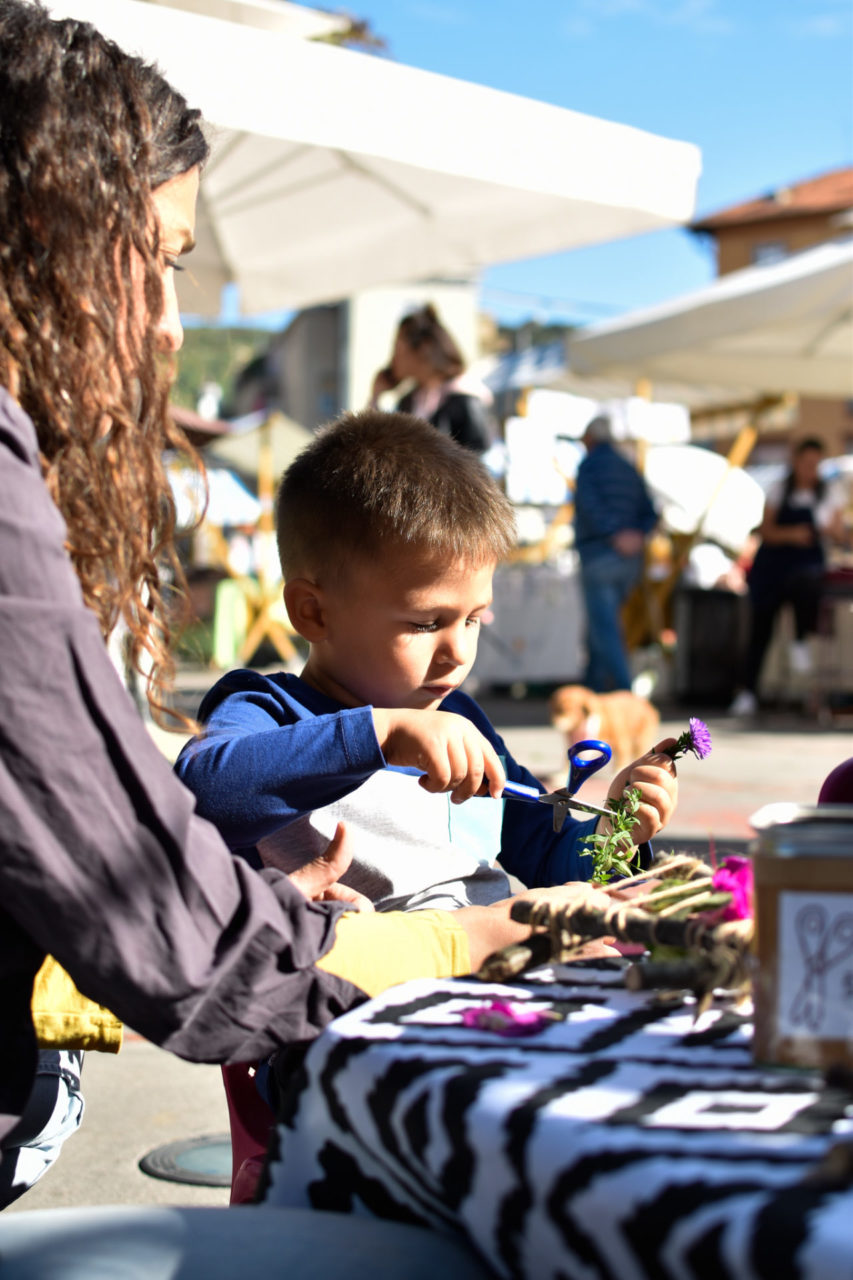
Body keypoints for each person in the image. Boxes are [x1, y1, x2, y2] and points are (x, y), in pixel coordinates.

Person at [0, 5, 605, 1266]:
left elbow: (547, 827)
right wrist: (455, 936)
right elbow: (161, 892)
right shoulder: (275, 703)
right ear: (48, 232)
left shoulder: (472, 723)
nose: (171, 325)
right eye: (159, 260)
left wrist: (599, 813)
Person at [176, 410, 678, 913]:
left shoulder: (461, 721)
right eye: (424, 623)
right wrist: (382, 736)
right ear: (313, 612)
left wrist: (615, 832)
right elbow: (203, 795)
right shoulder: (270, 713)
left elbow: (547, 855)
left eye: (473, 619)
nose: (458, 652)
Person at [729, 437, 846, 717]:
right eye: (806, 463)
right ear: (796, 461)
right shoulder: (780, 489)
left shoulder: (828, 493)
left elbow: (839, 532)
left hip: (804, 570)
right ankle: (748, 691)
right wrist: (792, 535)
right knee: (761, 629)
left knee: (806, 586)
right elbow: (765, 530)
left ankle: (800, 638)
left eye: (815, 464)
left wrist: (830, 530)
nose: (810, 469)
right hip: (772, 567)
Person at [573, 415, 658, 692]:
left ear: (590, 439)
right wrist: (637, 535)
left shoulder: (589, 466)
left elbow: (590, 506)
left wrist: (615, 534)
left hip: (601, 555)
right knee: (602, 623)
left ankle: (625, 689)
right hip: (630, 561)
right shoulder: (628, 466)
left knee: (605, 627)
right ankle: (593, 687)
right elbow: (651, 512)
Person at [369, 303, 494, 453]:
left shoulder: (464, 399)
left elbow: (480, 463)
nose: (393, 359)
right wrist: (375, 397)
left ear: (423, 348)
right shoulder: (409, 402)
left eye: (398, 348)